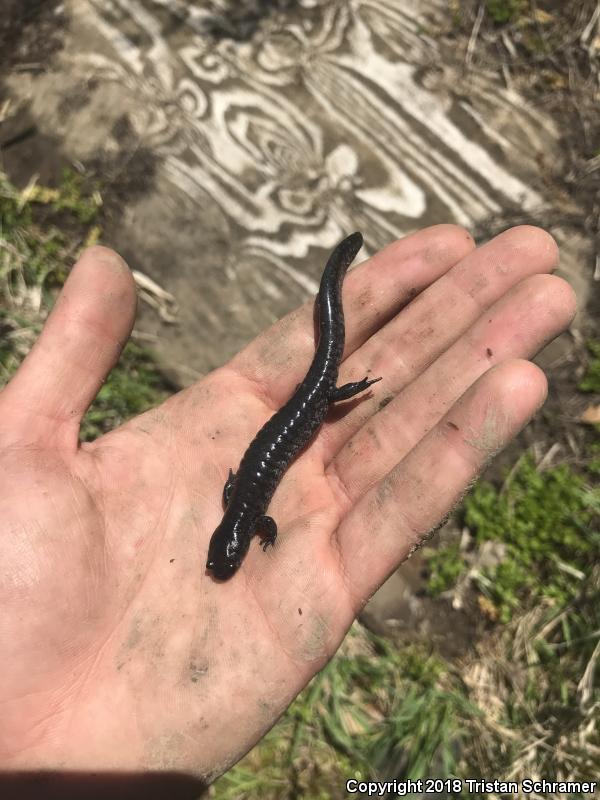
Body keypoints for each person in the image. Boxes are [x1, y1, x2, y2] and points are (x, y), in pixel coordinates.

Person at [0, 224, 575, 798]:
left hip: (308, 404)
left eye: (223, 556)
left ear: (230, 537)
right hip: (301, 412)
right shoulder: (241, 516)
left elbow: (254, 511)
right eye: (224, 557)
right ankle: (338, 278)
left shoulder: (246, 520)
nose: (221, 559)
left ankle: (339, 272)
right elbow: (243, 501)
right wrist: (257, 521)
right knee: (322, 377)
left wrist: (267, 525)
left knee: (325, 376)